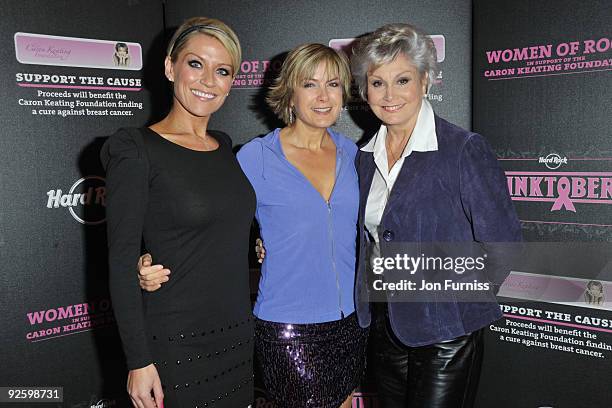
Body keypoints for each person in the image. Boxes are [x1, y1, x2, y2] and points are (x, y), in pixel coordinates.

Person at [138, 43, 368, 408]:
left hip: (350, 324)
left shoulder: (354, 155)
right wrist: (147, 257)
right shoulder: (255, 157)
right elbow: (197, 215)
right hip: (287, 328)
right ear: (290, 92)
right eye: (310, 85)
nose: (323, 96)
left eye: (334, 84)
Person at [350, 23, 522, 407]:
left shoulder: (462, 149)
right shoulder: (362, 158)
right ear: (365, 89)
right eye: (378, 83)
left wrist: (453, 301)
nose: (389, 95)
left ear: (425, 82)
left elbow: (505, 245)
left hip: (447, 332)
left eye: (403, 80)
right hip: (385, 327)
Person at [101, 17, 255, 408]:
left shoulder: (223, 146)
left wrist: (259, 242)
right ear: (170, 67)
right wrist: (138, 361)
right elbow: (120, 263)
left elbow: (219, 230)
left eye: (222, 71)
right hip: (175, 346)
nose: (208, 80)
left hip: (237, 340)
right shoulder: (136, 150)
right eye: (195, 64)